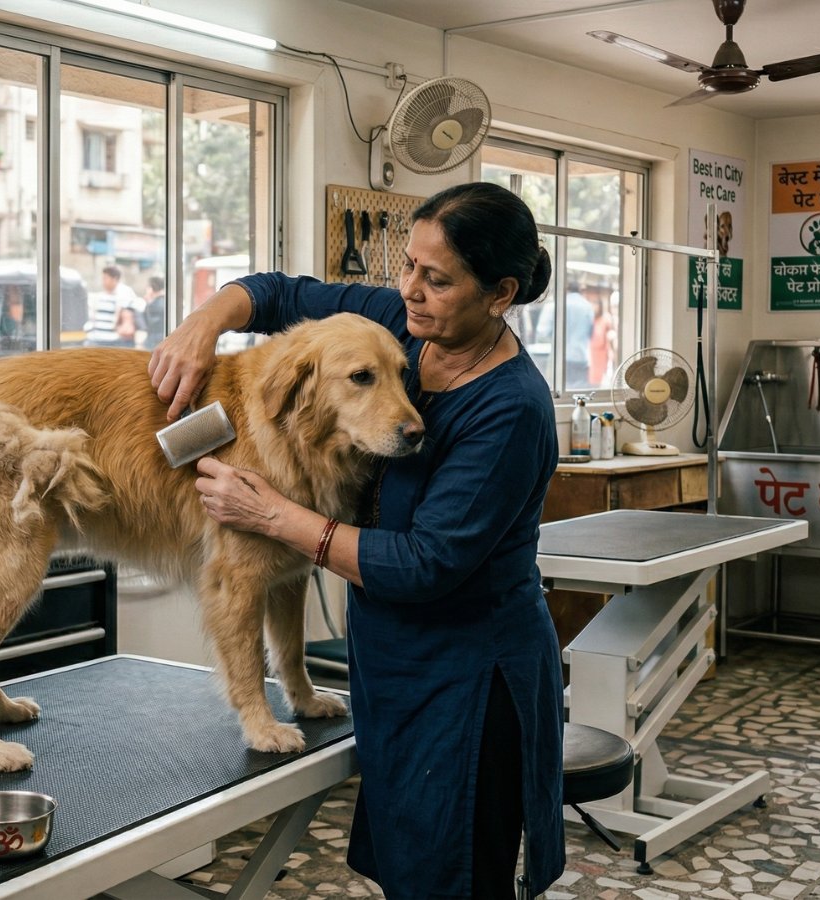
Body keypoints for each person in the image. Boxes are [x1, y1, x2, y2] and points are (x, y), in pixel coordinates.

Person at [149, 182, 564, 899]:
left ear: (500, 294)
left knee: (455, 877)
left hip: (466, 682)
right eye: (408, 265)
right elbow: (278, 294)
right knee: (409, 871)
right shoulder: (403, 327)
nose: (411, 290)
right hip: (394, 665)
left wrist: (275, 516)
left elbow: (422, 564)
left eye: (437, 279)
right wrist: (202, 325)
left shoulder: (510, 410)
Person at [83, 264, 142, 347]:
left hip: (114, 341)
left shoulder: (125, 294)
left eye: (105, 278)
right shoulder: (99, 297)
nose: (102, 281)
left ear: (114, 279)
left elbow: (128, 320)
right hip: (97, 338)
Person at [141, 274, 167, 350]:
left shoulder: (153, 306)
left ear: (151, 288)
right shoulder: (166, 302)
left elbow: (145, 325)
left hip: (154, 343)